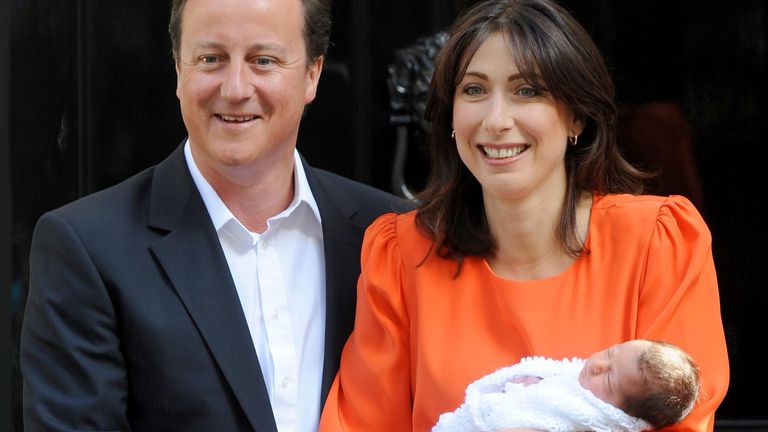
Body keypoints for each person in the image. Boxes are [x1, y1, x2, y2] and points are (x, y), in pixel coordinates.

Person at [318, 0, 729, 431]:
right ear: (451, 117)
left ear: (576, 116)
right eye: (474, 90)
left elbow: (681, 421)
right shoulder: (402, 255)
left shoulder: (660, 243)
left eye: (527, 90)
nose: (496, 120)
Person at [20, 0, 410, 430]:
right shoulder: (88, 248)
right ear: (177, 71)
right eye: (211, 59)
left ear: (312, 74)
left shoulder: (391, 233)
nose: (236, 88)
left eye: (264, 60)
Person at [432, 340, 700, 432]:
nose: (597, 365)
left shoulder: (586, 421)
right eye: (609, 353)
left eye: (609, 379)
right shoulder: (579, 386)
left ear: (620, 415)